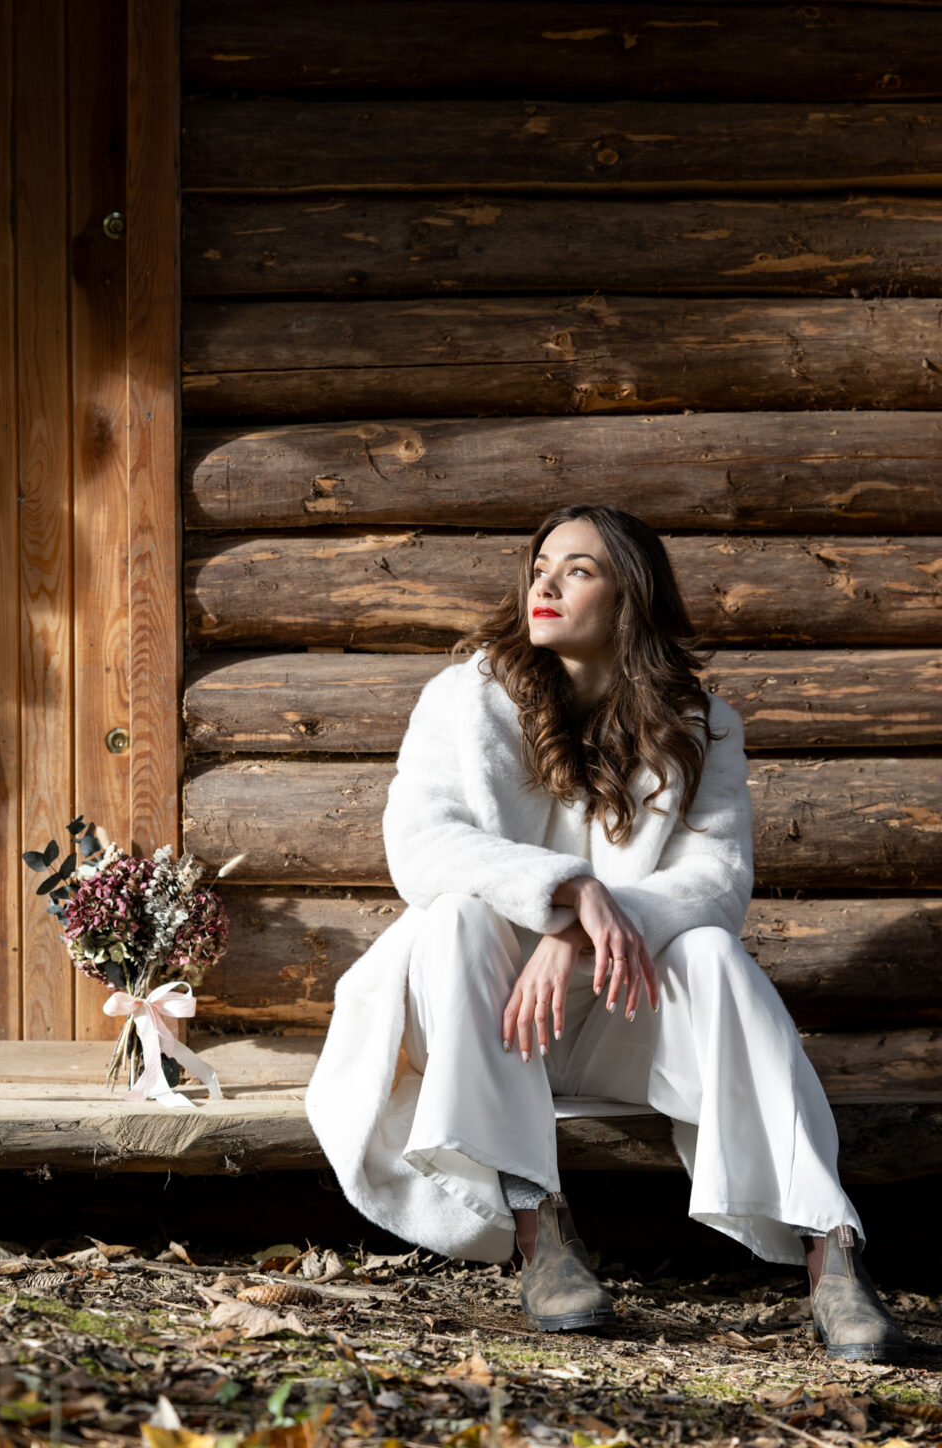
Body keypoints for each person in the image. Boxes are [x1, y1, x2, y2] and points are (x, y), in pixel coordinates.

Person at [305, 504, 908, 1362]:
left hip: (616, 1009)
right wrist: (568, 892)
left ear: (630, 599)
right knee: (458, 918)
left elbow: (715, 883)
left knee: (711, 952)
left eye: (578, 570)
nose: (544, 583)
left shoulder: (703, 725)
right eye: (540, 564)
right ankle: (540, 1229)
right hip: (480, 1008)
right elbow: (421, 848)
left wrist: (580, 935)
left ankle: (830, 1251)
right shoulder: (463, 699)